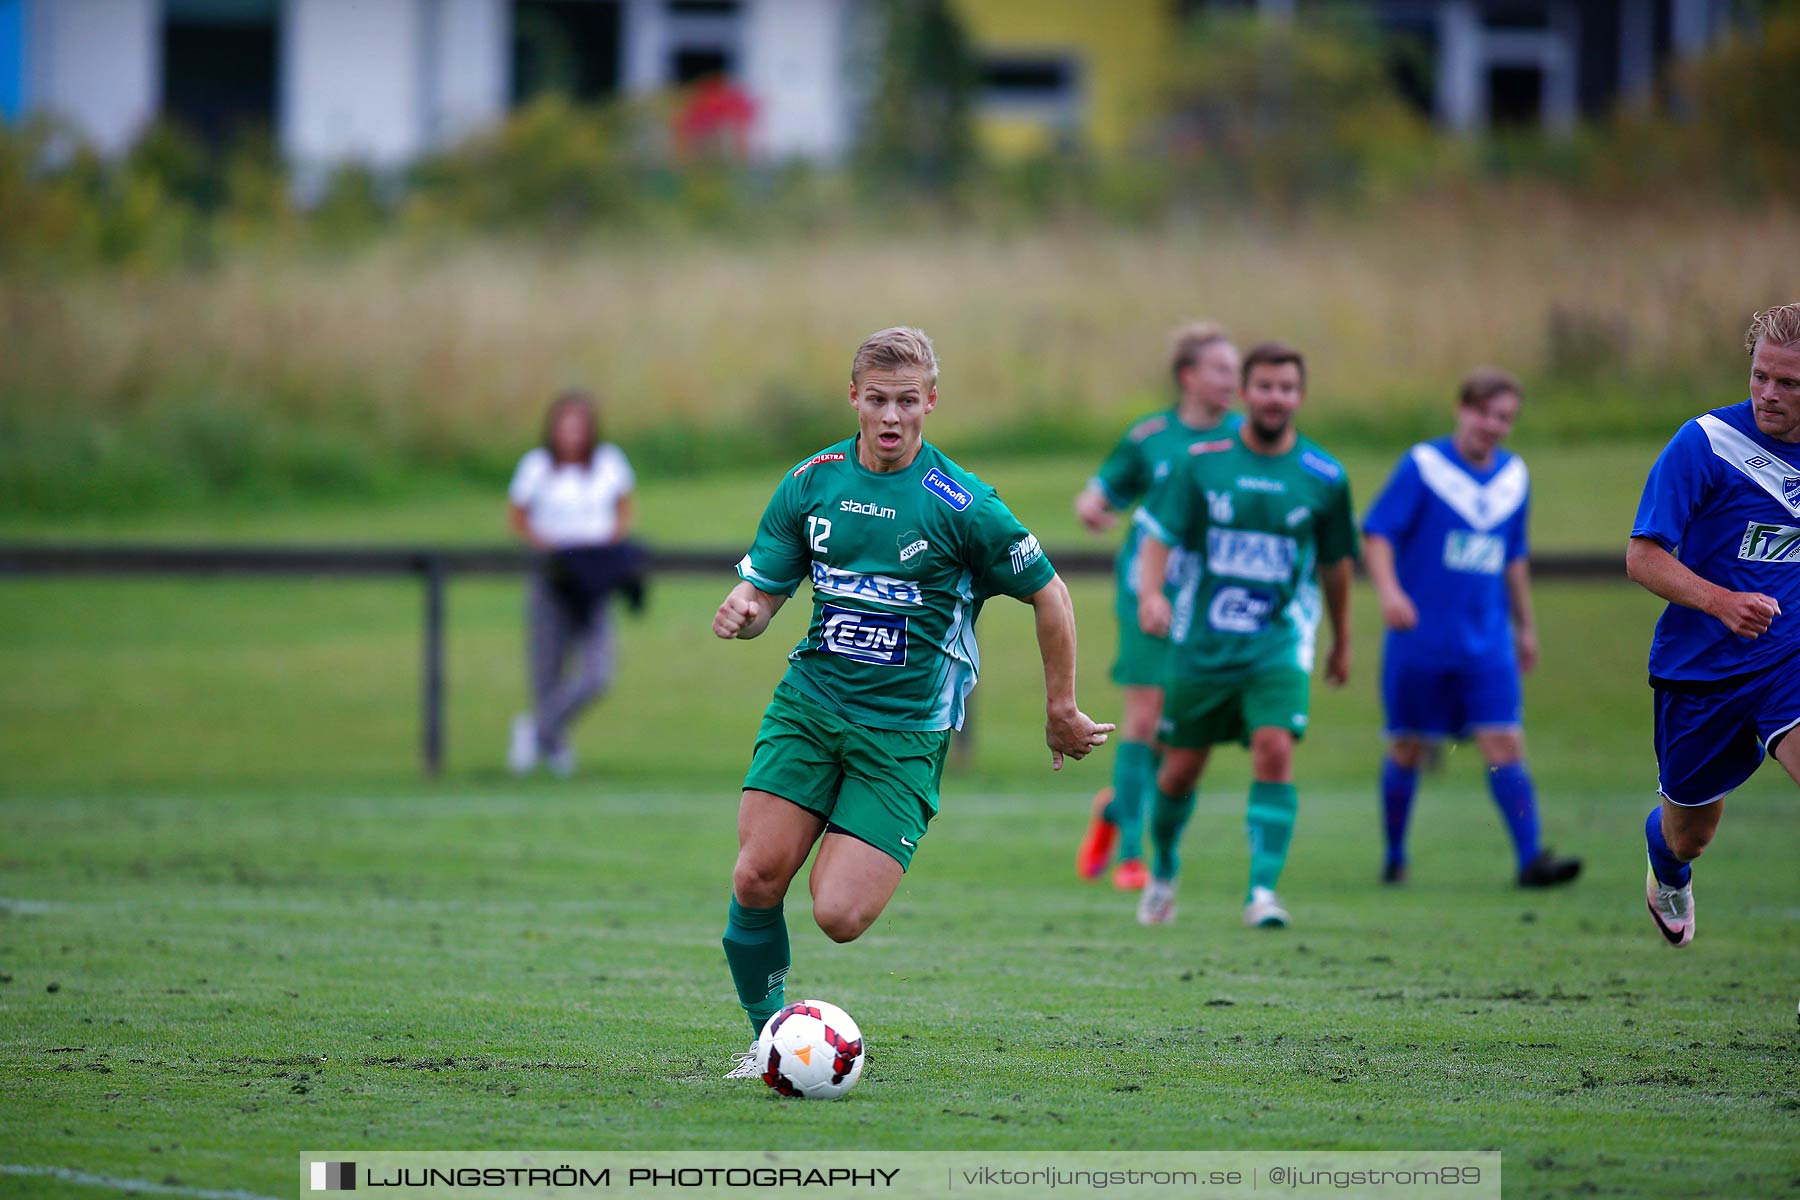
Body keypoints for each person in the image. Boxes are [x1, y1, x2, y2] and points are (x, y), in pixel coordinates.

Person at [711, 327, 1114, 1076]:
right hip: (809, 706)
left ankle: (853, 818)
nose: (891, 417)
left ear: (930, 400)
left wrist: (1062, 707)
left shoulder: (962, 505)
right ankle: (768, 1040)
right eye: (876, 400)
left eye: (906, 401)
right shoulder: (812, 482)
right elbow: (766, 588)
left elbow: (1051, 594)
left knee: (838, 916)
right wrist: (745, 610)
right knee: (756, 876)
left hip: (902, 735)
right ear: (854, 399)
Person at [1132, 341, 1356, 929]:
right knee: (1179, 770)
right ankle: (1163, 872)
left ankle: (1262, 891)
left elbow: (1336, 566)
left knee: (1275, 748)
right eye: (1264, 386)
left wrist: (1342, 638)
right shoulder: (1202, 461)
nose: (1275, 398)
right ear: (1245, 394)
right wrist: (1153, 595)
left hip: (1278, 641)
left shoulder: (1325, 476)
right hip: (1202, 644)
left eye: (1287, 388)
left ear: (1299, 397)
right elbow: (1158, 535)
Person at [1361, 369, 1582, 888]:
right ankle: (1394, 857)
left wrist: (1526, 626)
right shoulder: (1424, 466)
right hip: (1421, 639)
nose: (1492, 424)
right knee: (1408, 747)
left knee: (1504, 741)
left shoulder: (1514, 478)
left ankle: (1531, 860)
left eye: (1503, 417)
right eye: (1483, 412)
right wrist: (1391, 592)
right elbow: (1377, 533)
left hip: (1487, 641)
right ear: (1461, 410)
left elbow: (1514, 556)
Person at [1627, 303, 1800, 948]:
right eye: (1761, 376)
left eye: (1789, 384)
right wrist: (1723, 601)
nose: (1768, 395)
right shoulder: (1706, 444)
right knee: (1689, 833)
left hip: (1788, 660)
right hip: (1699, 670)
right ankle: (1666, 863)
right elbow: (1642, 558)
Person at [1073, 323, 1242, 891]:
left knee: (1181, 732)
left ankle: (1116, 807)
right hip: (1149, 593)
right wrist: (1093, 507)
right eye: (1221, 370)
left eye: (1236, 372)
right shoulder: (1151, 436)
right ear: (1188, 376)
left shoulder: (1246, 439)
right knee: (1143, 720)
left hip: (1215, 604)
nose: (1232, 382)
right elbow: (1099, 494)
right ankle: (1132, 857)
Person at [506, 390, 636, 777]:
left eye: (580, 424)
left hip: (593, 578)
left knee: (597, 673)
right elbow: (518, 516)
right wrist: (548, 547)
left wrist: (608, 547)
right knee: (546, 668)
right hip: (552, 576)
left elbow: (624, 510)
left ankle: (538, 729)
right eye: (566, 424)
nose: (573, 432)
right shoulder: (536, 467)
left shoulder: (608, 463)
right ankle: (553, 743)